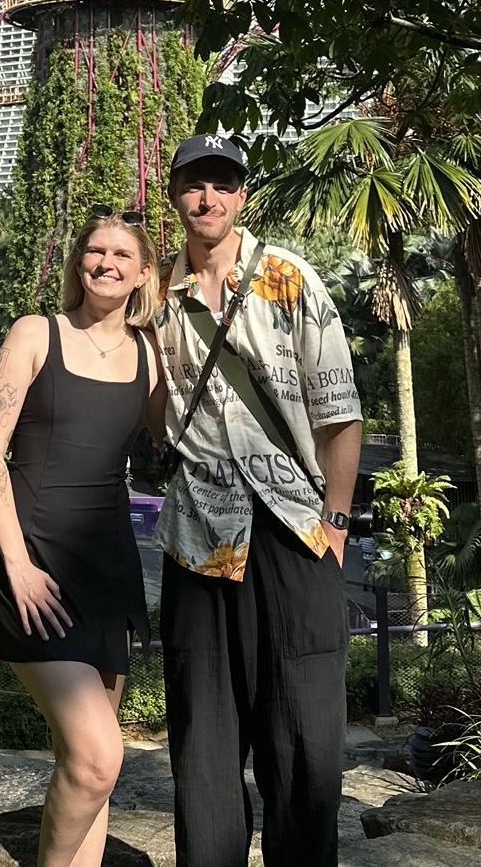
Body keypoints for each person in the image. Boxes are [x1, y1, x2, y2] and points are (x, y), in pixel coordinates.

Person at [152, 134, 363, 867]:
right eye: (194, 184)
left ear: (242, 194)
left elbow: (340, 413)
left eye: (223, 184)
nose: (207, 198)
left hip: (293, 528)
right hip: (198, 533)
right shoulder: (155, 293)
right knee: (203, 739)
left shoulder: (288, 278)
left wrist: (336, 527)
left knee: (305, 737)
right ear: (174, 194)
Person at [0, 208, 164, 867]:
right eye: (95, 251)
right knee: (98, 756)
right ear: (79, 261)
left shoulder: (151, 355)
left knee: (88, 768)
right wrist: (17, 565)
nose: (106, 263)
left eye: (121, 254)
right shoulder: (37, 333)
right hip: (34, 564)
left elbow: (181, 440)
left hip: (107, 570)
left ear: (144, 273)